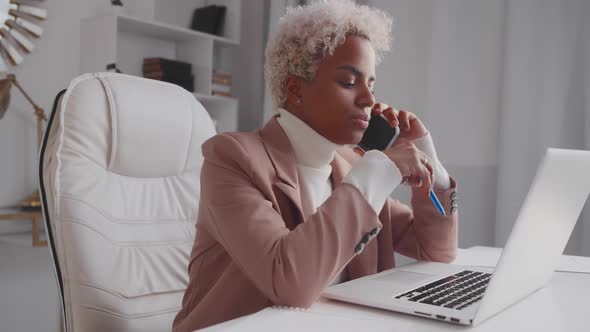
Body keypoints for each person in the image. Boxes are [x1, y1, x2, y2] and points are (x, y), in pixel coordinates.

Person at [173, 1, 458, 331]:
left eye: (372, 85)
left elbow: (434, 249)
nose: (369, 99)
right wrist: (376, 173)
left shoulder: (351, 165)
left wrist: (433, 168)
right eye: (349, 83)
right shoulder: (232, 158)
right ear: (295, 89)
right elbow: (289, 282)